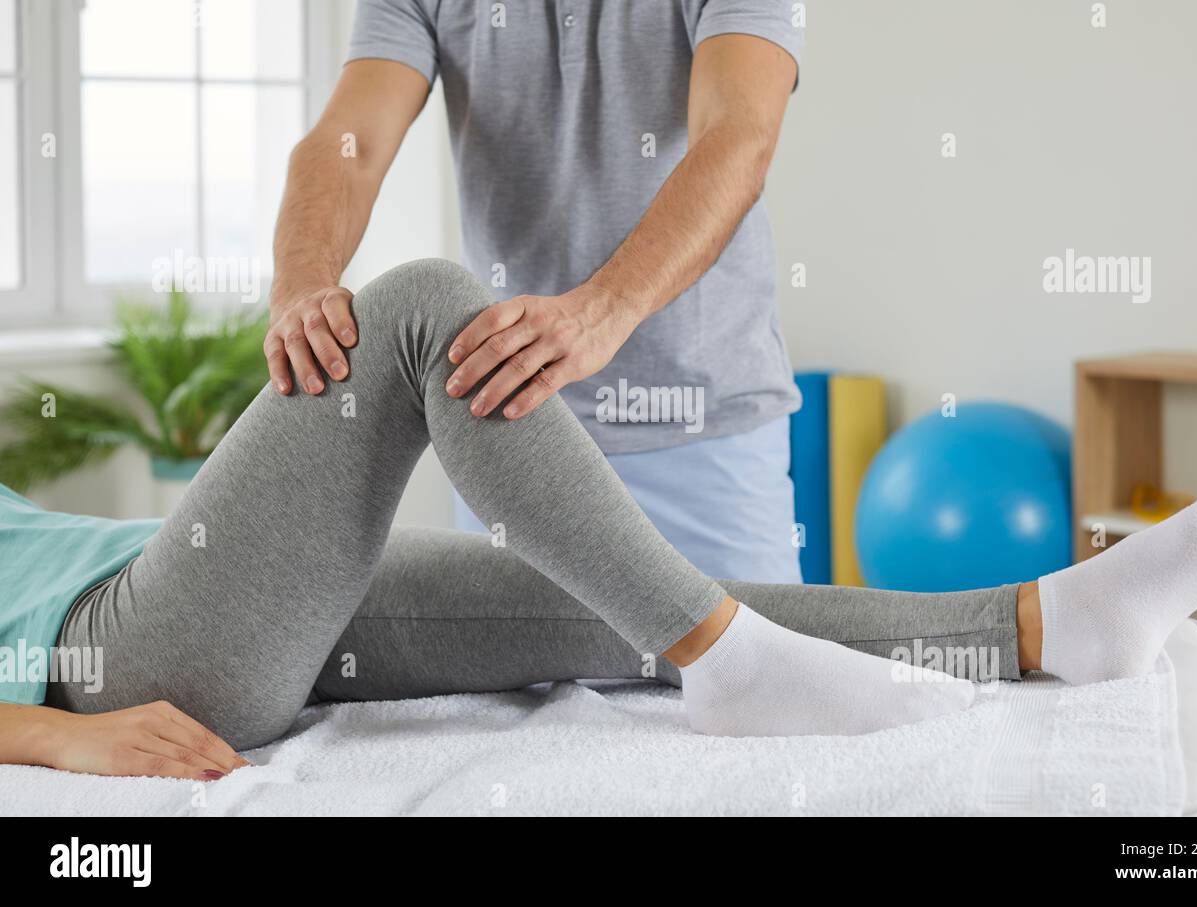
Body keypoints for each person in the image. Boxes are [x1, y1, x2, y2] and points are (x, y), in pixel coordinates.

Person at [0, 260, 1197, 780]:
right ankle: (732, 665)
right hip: (109, 649)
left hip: (154, 587)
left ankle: (1048, 622)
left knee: (628, 595)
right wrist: (56, 742)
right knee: (427, 307)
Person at [265, 0, 807, 582]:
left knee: (754, 669)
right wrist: (302, 283)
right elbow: (351, 147)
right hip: (511, 434)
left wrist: (607, 307)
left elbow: (736, 134)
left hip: (706, 434)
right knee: (498, 674)